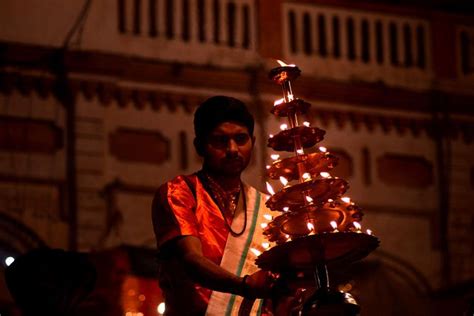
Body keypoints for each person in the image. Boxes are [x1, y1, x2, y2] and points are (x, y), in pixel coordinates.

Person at [152, 96, 284, 315]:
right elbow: (191, 260)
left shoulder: (266, 208)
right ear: (199, 146)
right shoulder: (180, 192)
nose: (233, 149)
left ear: (252, 141)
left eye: (241, 139)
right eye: (220, 140)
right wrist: (245, 286)